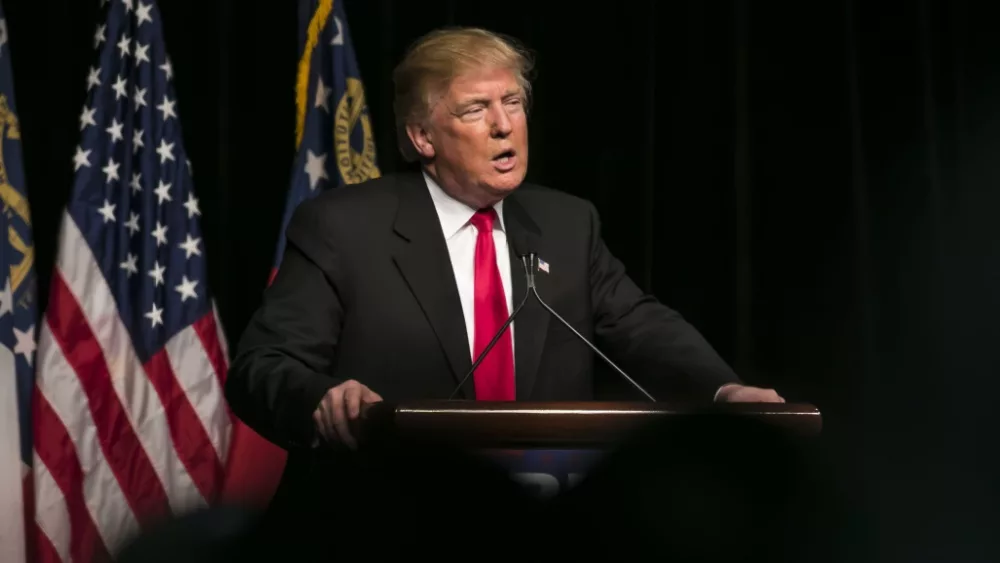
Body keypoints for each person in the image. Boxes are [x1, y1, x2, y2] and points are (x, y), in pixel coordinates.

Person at [224, 26, 784, 510]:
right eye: (475, 109)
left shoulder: (566, 223)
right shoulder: (344, 227)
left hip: (535, 526)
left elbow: (640, 324)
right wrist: (322, 399)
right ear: (422, 137)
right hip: (388, 523)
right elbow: (261, 367)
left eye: (512, 103)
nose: (503, 125)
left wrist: (722, 392)